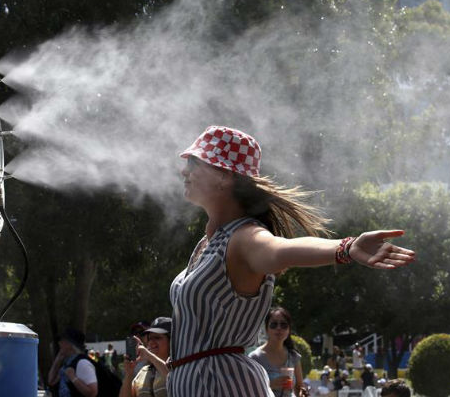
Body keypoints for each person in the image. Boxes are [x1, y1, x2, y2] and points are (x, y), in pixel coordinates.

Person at [168, 126, 415, 397]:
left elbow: (280, 250)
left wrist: (346, 247)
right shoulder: (210, 242)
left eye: (194, 163)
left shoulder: (243, 237)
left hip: (222, 386)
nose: (184, 171)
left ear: (224, 176)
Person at [250, 307, 306, 397]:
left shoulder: (293, 356)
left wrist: (302, 393)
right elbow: (249, 389)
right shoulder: (255, 357)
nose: (279, 328)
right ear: (267, 329)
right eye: (274, 325)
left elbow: (299, 386)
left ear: (289, 330)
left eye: (284, 325)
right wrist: (271, 384)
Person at [120, 317, 171, 397]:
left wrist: (149, 356)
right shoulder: (143, 371)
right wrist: (129, 374)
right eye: (149, 338)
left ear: (172, 341)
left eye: (157, 338)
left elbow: (174, 382)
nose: (151, 342)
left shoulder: (180, 367)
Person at [48, 328, 98, 397]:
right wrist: (58, 360)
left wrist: (73, 378)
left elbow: (93, 392)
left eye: (62, 341)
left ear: (70, 344)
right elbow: (51, 381)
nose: (59, 343)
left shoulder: (82, 363)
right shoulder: (68, 363)